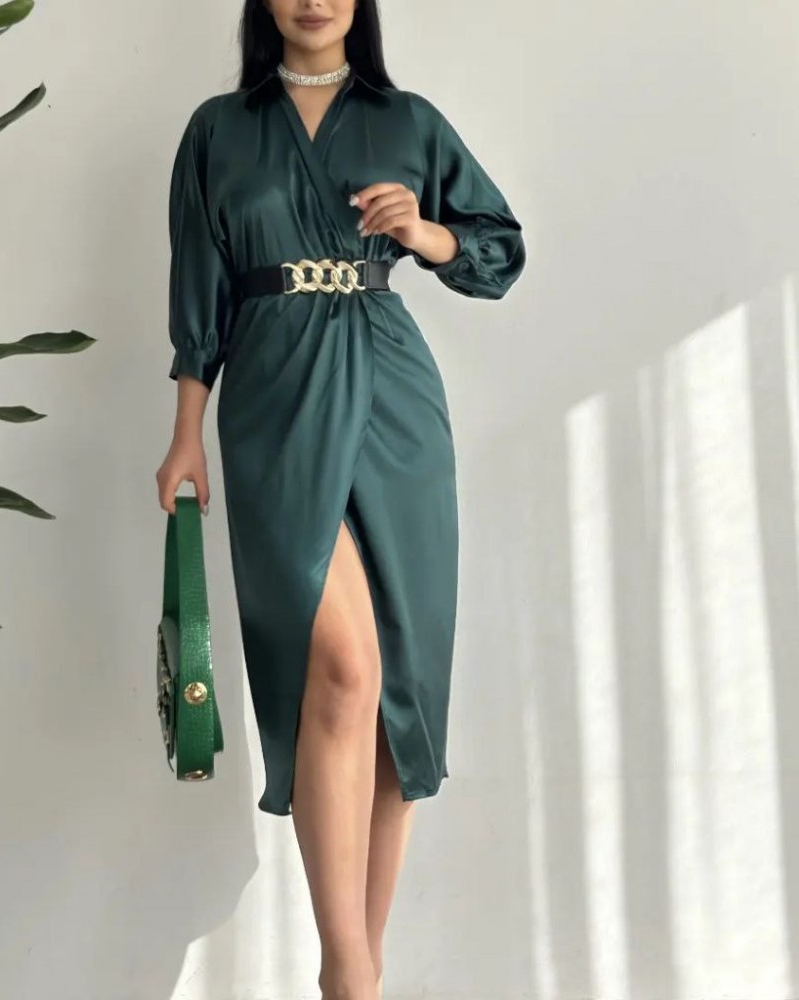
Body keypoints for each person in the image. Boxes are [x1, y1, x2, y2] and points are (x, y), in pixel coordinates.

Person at [155, 1, 525, 997]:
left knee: (393, 681)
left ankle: (354, 969)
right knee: (345, 665)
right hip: (273, 400)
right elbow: (199, 289)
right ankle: (349, 972)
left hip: (394, 397)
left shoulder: (407, 120)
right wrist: (186, 432)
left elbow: (497, 252)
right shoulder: (218, 129)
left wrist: (425, 231)